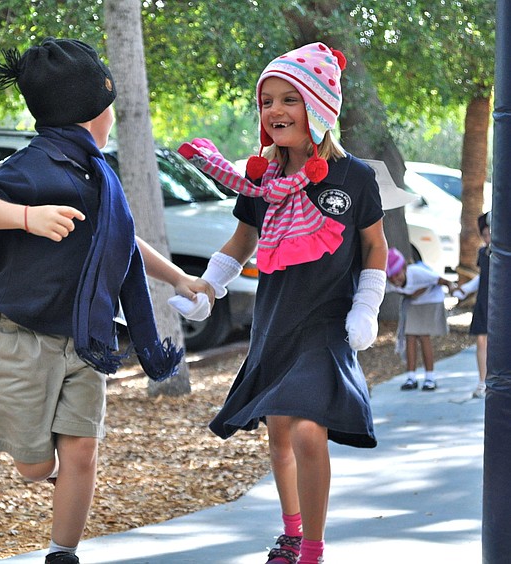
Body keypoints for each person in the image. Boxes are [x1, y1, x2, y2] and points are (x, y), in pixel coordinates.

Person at [0, 38, 213, 564]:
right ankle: (43, 471)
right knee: (33, 465)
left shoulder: (102, 178)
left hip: (85, 341)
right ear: (93, 111)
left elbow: (125, 241)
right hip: (20, 338)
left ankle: (62, 553)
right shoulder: (34, 164)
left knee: (83, 450)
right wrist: (28, 217)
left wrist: (178, 279)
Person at [176, 42, 388, 564]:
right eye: (267, 101)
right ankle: (291, 533)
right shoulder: (260, 178)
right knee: (279, 433)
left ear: (318, 108)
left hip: (327, 323)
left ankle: (312, 549)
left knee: (310, 428)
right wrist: (209, 285)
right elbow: (242, 240)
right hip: (276, 321)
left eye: (288, 99)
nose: (275, 111)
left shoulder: (355, 177)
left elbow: (375, 246)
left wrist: (367, 307)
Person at [385, 247, 456, 391]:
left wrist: (452, 287)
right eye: (391, 277)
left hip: (430, 299)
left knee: (424, 336)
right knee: (409, 337)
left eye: (397, 274)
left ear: (404, 268)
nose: (395, 279)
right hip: (412, 302)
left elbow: (440, 279)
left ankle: (430, 378)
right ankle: (411, 377)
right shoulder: (390, 284)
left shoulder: (417, 273)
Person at [453, 211, 491, 398]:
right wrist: (464, 290)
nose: (487, 238)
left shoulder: (504, 253)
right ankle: (482, 381)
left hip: (500, 303)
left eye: (490, 234)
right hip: (484, 301)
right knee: (482, 340)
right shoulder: (483, 253)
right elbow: (482, 278)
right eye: (484, 234)